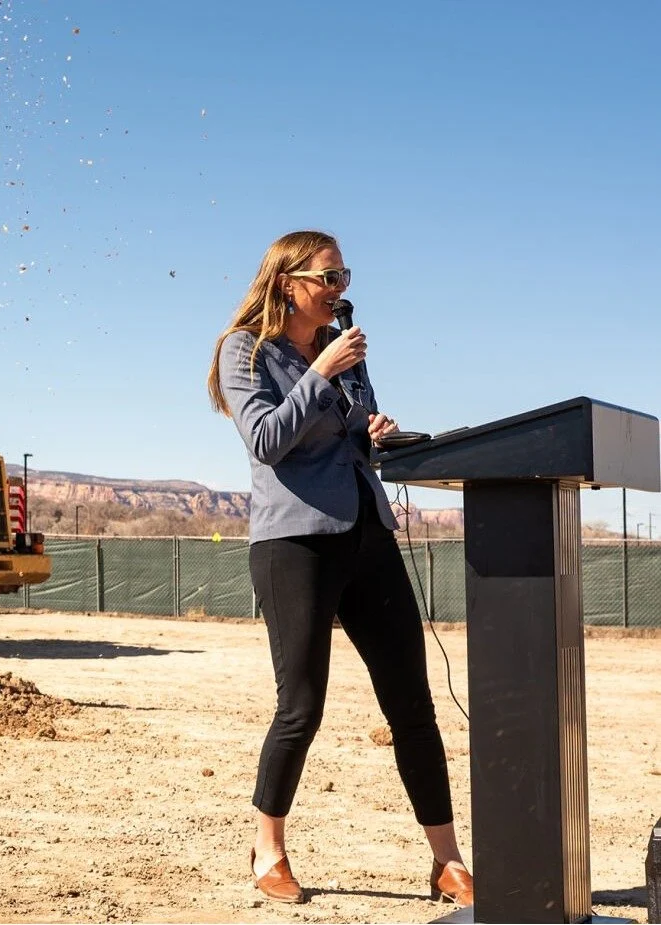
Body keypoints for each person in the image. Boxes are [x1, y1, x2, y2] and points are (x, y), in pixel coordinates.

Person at [208, 230, 472, 906]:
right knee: (300, 706)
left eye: (343, 275)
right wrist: (322, 372)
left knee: (412, 702)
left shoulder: (344, 353)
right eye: (327, 277)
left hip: (365, 531)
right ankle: (267, 848)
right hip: (293, 542)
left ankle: (446, 861)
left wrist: (373, 429)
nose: (339, 289)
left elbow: (345, 438)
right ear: (286, 281)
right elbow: (267, 440)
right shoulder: (246, 350)